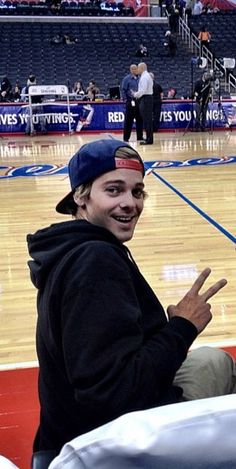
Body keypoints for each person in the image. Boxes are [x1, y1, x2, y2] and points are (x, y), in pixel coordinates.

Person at [27, 138, 236, 466]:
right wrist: (181, 328)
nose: (130, 203)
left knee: (211, 360)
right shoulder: (95, 262)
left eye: (137, 192)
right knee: (217, 371)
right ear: (80, 196)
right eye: (114, 190)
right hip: (101, 448)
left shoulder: (70, 249)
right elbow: (111, 396)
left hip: (63, 437)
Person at [121, 64, 143, 142]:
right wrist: (126, 100)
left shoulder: (139, 79)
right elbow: (123, 90)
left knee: (139, 119)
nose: (136, 70)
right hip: (130, 101)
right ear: (131, 70)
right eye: (134, 69)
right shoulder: (126, 79)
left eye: (136, 69)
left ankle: (140, 137)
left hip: (138, 101)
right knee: (128, 120)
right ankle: (126, 138)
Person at [133, 62, 153, 145]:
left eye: (138, 68)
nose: (137, 69)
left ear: (142, 68)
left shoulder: (144, 77)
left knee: (147, 119)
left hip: (145, 99)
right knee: (147, 119)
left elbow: (143, 90)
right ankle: (149, 138)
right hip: (148, 98)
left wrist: (135, 94)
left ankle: (149, 139)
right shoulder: (147, 76)